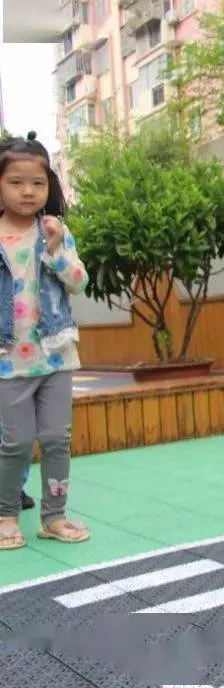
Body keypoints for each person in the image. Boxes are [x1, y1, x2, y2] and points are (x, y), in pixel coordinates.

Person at [0, 131, 90, 550]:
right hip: (8, 362)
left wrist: (55, 251)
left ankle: (54, 517)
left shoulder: (55, 231)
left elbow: (79, 282)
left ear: (49, 186)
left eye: (37, 183)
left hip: (55, 357)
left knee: (57, 440)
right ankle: (6, 515)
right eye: (16, 182)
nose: (28, 191)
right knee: (16, 443)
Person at [0, 134, 36, 513]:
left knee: (16, 429)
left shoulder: (45, 233)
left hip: (20, 349)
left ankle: (14, 488)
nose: (25, 191)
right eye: (15, 181)